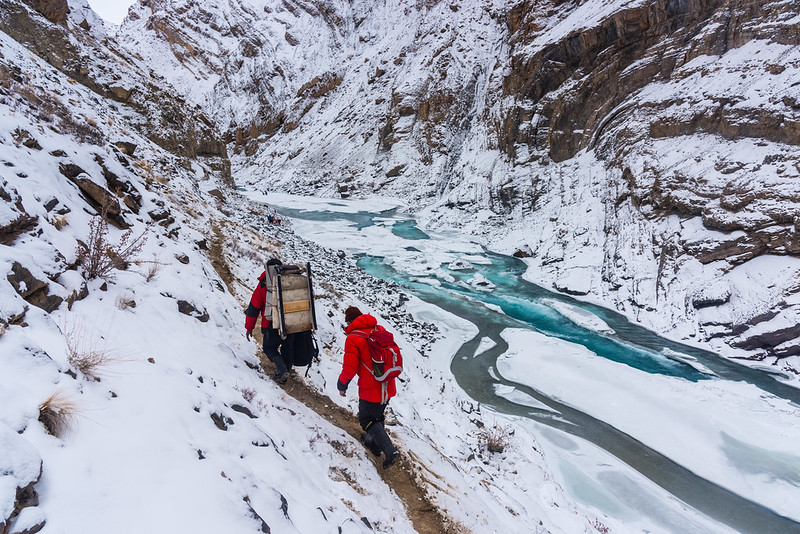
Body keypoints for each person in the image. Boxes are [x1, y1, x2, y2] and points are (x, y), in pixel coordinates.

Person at [337, 306, 400, 468]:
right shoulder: (379, 328)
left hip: (371, 388)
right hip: (388, 382)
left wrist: (342, 384)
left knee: (367, 420)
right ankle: (374, 444)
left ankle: (389, 450)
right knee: (377, 416)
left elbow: (350, 367)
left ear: (350, 322)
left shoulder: (353, 338)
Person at [245, 258, 294, 383]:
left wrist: (249, 328)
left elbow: (253, 309)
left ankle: (282, 370)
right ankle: (284, 375)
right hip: (292, 323)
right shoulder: (291, 281)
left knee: (269, 348)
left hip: (271, 324)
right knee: (287, 348)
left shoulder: (263, 283)